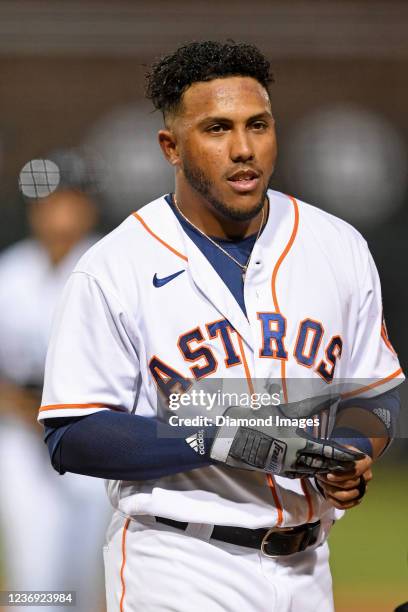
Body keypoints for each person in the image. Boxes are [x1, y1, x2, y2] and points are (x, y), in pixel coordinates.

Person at [39, 41, 404, 612]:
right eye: (216, 129)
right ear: (172, 147)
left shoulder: (338, 246)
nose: (243, 149)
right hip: (179, 563)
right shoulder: (115, 267)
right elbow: (73, 433)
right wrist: (215, 437)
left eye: (257, 125)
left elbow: (377, 390)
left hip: (309, 569)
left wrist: (350, 453)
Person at [0, 185, 110, 612]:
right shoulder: (10, 274)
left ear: (87, 208)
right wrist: (22, 409)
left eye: (69, 202)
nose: (59, 216)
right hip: (22, 441)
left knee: (84, 577)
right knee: (36, 580)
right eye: (49, 205)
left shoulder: (106, 265)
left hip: (95, 435)